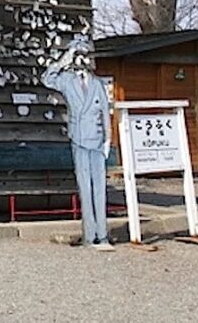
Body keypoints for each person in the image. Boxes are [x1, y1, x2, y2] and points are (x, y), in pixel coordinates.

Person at [42, 35, 114, 251]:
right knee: (85, 187)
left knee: (100, 188)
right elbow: (46, 78)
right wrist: (64, 59)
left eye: (85, 54)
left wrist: (108, 139)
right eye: (79, 54)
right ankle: (90, 235)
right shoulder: (67, 81)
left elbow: (105, 113)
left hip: (98, 140)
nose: (82, 60)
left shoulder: (98, 83)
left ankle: (103, 235)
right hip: (79, 138)